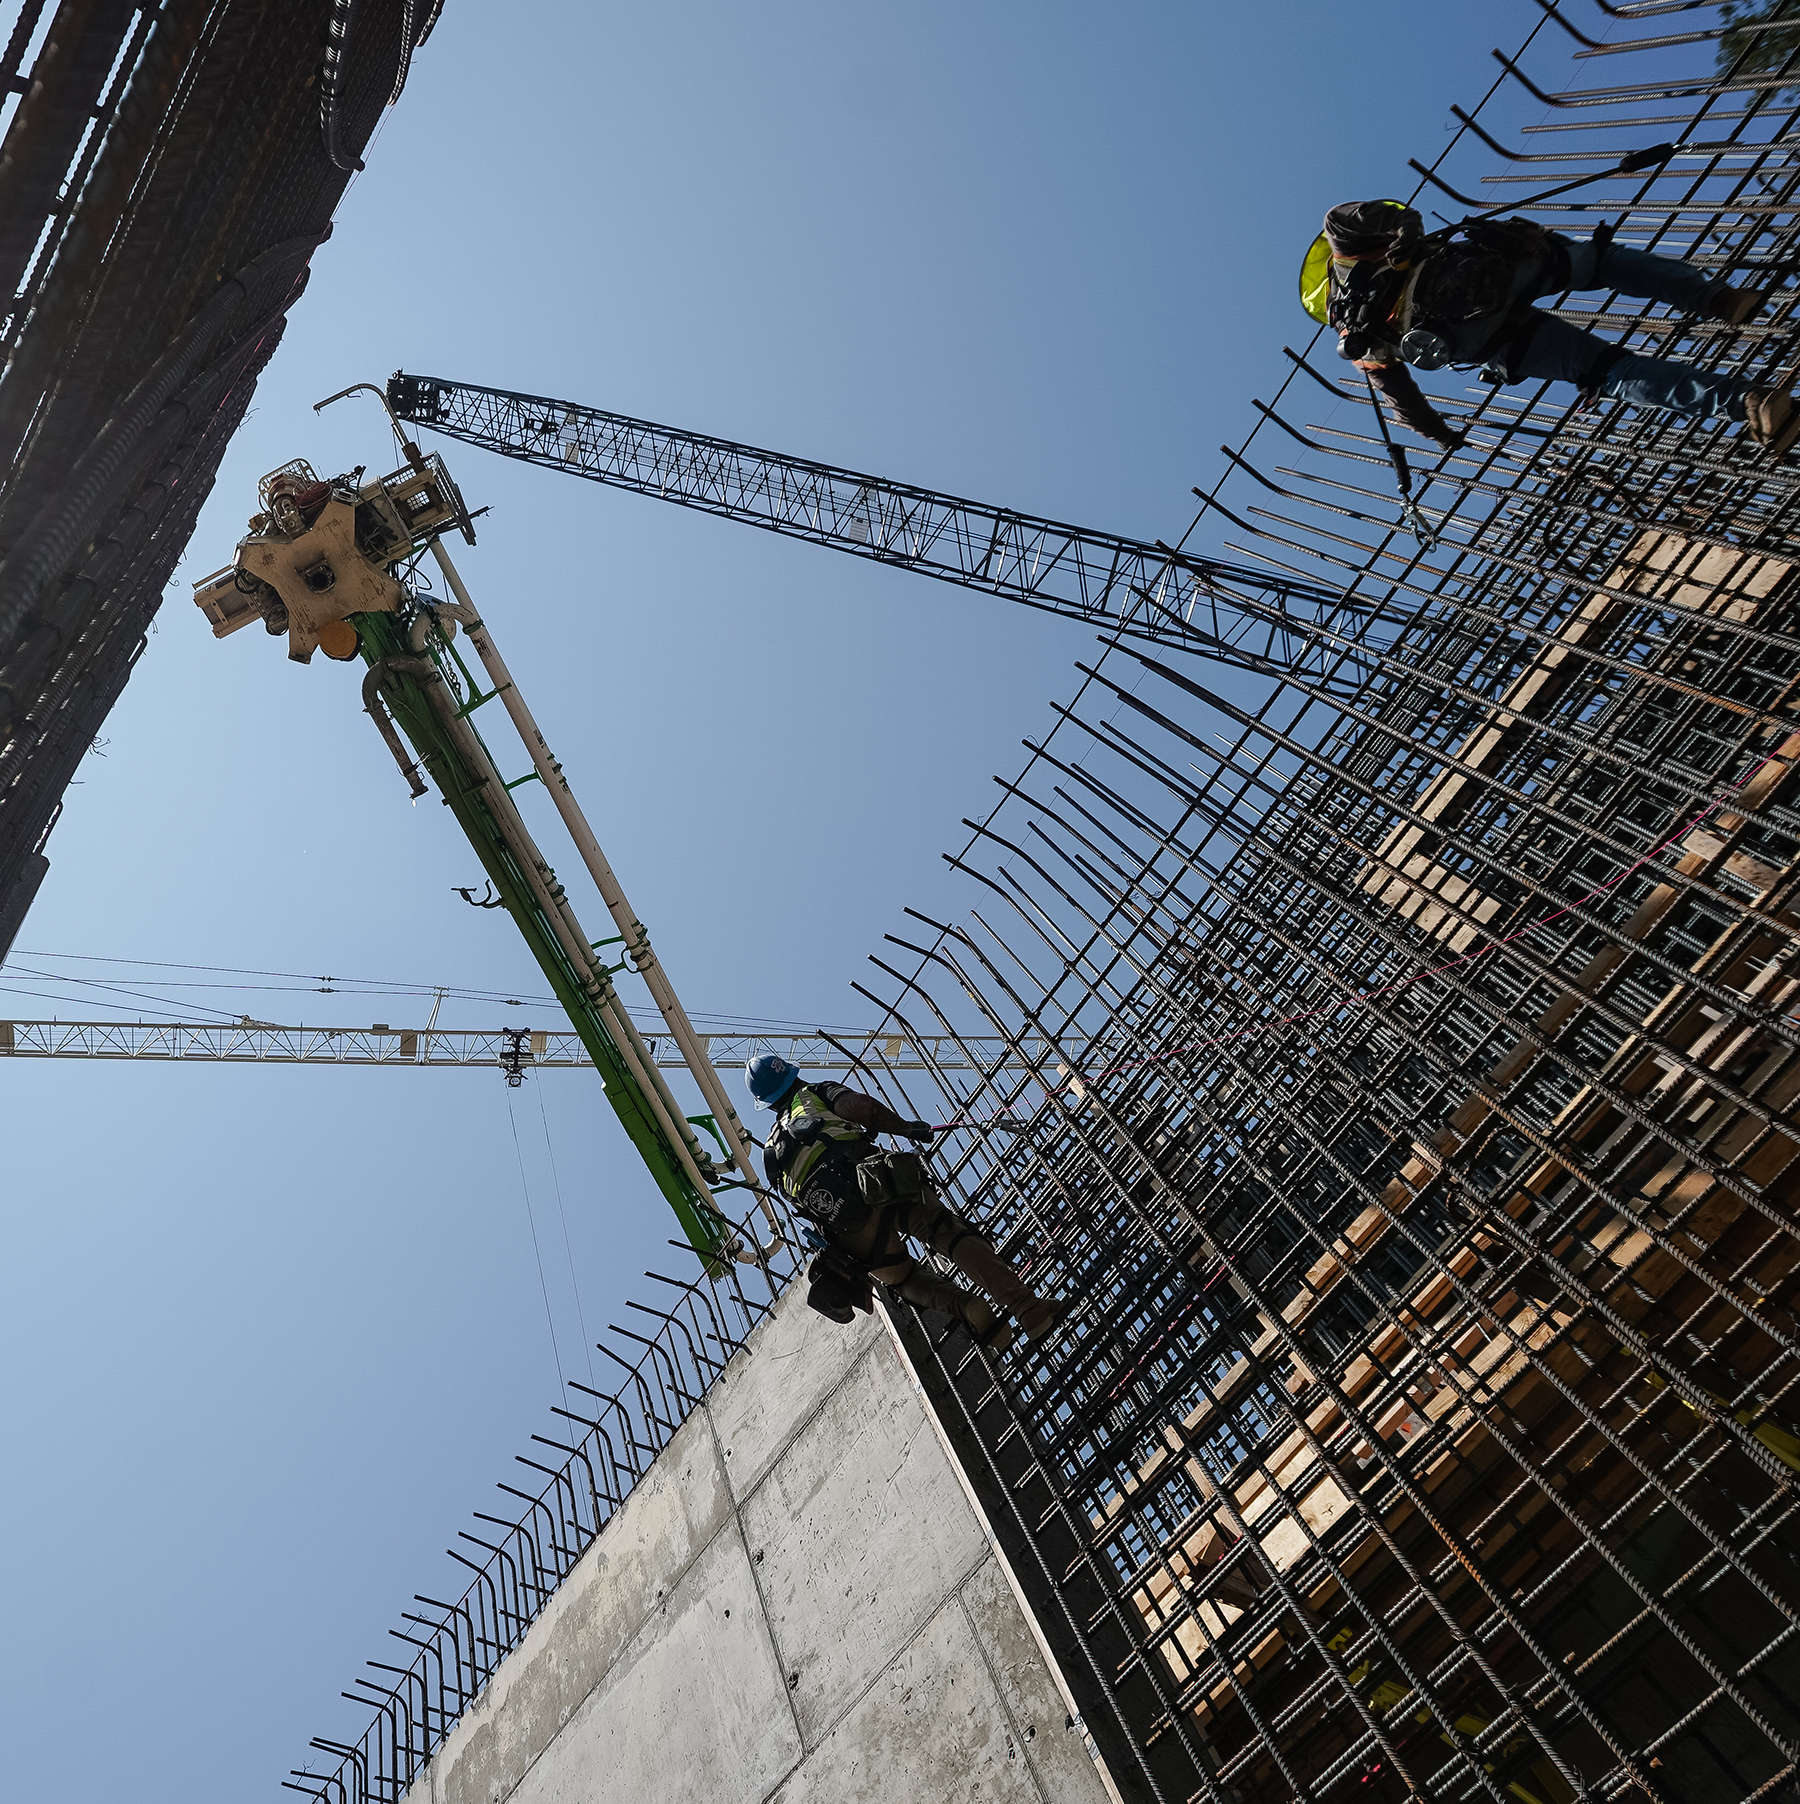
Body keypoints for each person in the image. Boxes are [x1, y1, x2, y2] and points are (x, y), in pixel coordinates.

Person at [1315, 198, 1798, 454]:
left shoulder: (1352, 331)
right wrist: (1407, 237)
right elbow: (1374, 216)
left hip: (1473, 340)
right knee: (1595, 263)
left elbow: (1401, 399)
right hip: (1483, 275)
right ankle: (1715, 297)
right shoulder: (1343, 241)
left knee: (1606, 370)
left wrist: (1442, 437)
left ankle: (1749, 404)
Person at [745, 1053, 1068, 1351]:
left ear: (768, 1103)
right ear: (792, 1075)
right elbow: (863, 1109)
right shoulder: (814, 1093)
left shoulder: (770, 1154)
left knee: (902, 1278)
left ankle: (966, 1307)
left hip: (845, 1224)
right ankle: (1028, 1310)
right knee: (946, 1233)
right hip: (873, 1179)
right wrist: (906, 1127)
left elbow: (798, 1203)